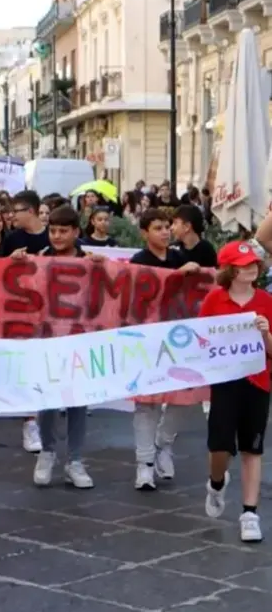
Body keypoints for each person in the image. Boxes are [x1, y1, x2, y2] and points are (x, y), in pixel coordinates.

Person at [14, 206, 94, 489]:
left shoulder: (90, 260)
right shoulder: (40, 259)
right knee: (47, 398)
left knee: (77, 401)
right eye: (53, 231)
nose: (57, 236)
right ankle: (47, 452)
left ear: (76, 232)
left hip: (80, 340)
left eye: (63, 231)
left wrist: (105, 265)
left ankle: (74, 460)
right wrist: (13, 265)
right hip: (46, 339)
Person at [199, 241, 272, 542]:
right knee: (219, 445)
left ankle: (249, 512)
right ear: (230, 270)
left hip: (258, 382)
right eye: (244, 265)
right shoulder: (214, 301)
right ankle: (216, 483)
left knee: (252, 448)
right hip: (225, 381)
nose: (252, 268)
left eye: (254, 263)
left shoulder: (267, 301)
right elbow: (200, 342)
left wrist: (266, 333)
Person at [129, 209, 202, 490]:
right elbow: (139, 297)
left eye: (166, 227)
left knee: (184, 398)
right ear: (144, 233)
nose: (165, 232)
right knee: (146, 404)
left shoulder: (180, 258)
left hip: (179, 341)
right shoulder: (138, 262)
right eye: (158, 227)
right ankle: (144, 465)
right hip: (147, 340)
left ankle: (164, 444)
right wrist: (175, 277)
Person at [0, 190, 49, 453]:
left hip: (51, 309)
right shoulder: (12, 239)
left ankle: (44, 416)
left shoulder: (52, 235)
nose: (11, 216)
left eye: (16, 211)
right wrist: (10, 262)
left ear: (30, 211)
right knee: (26, 364)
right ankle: (30, 421)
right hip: (21, 309)